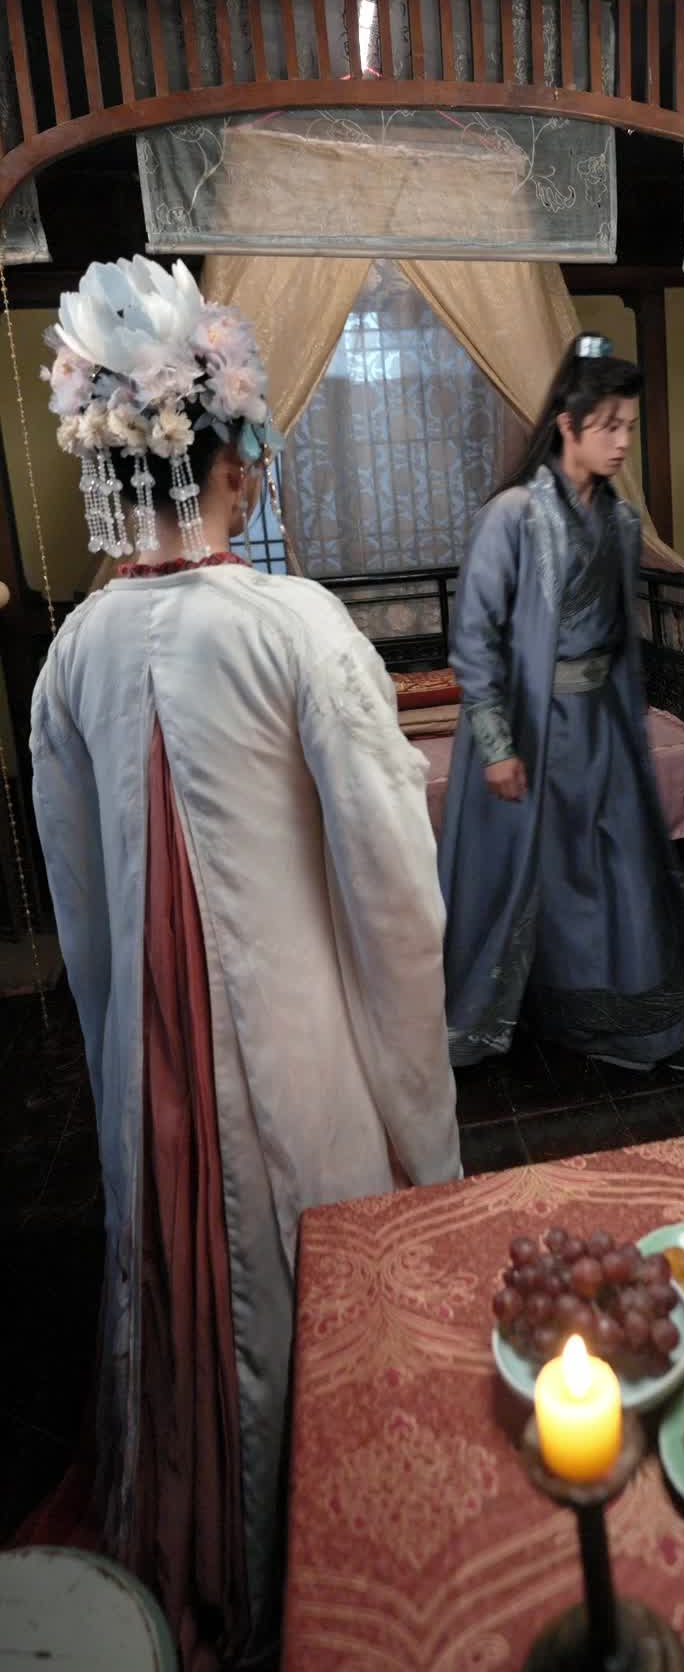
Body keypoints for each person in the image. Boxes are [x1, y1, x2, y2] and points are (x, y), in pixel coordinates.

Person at [29, 258, 460, 1668]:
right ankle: (343, 1571)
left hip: (143, 1073)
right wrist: (418, 1106)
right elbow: (395, 895)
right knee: (309, 1286)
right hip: (300, 1051)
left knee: (172, 1279)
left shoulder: (69, 659)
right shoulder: (297, 632)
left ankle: (195, 1543)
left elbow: (85, 914)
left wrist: (124, 1056)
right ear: (235, 463)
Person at [438, 332, 684, 1075]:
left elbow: (617, 639)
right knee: (559, 878)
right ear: (567, 426)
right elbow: (475, 637)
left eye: (629, 426)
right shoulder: (512, 516)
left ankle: (638, 1022)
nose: (622, 442)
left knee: (625, 873)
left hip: (604, 726)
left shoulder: (620, 521)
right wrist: (498, 745)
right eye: (608, 426)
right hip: (536, 728)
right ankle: (564, 1018)